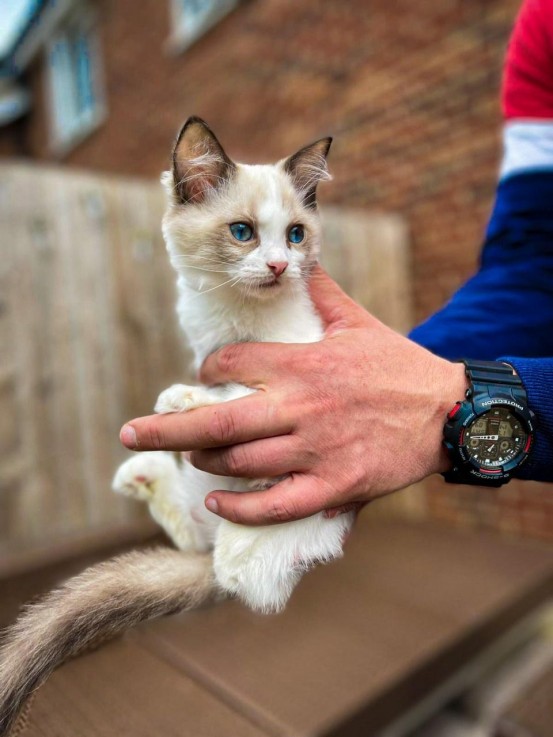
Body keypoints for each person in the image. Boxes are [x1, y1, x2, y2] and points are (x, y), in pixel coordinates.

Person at [120, 0, 553, 525]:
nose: (279, 261)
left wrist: (452, 401)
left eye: (295, 235)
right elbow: (535, 265)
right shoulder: (541, 25)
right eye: (244, 233)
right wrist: (392, 385)